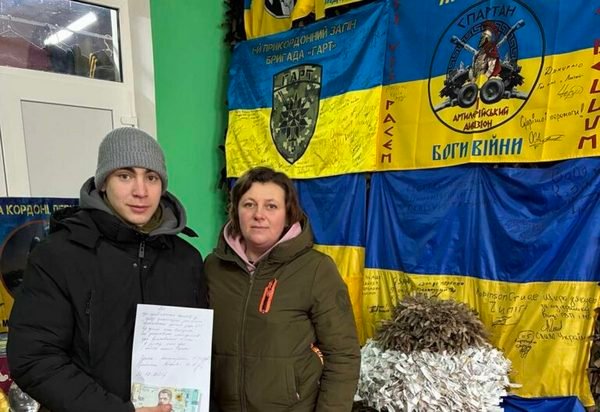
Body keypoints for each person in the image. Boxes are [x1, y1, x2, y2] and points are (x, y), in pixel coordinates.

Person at [7, 127, 207, 412]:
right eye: (125, 176)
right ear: (102, 183)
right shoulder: (59, 255)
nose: (140, 191)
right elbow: (34, 358)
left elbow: (198, 357)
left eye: (151, 177)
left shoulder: (186, 259)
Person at [205, 166, 360, 411]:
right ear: (235, 212)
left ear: (288, 216)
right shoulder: (213, 267)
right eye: (249, 204)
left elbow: (343, 355)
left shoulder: (316, 269)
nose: (259, 215)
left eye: (271, 206)